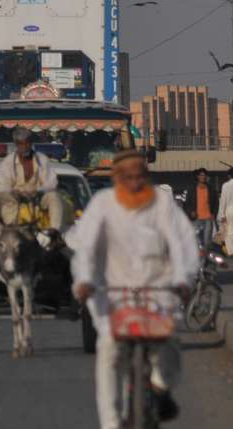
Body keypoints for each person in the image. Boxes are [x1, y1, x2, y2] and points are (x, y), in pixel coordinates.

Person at [70, 149, 198, 428]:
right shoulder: (103, 205)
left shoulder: (162, 204)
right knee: (108, 352)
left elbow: (182, 243)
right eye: (127, 177)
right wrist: (84, 280)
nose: (134, 182)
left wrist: (184, 279)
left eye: (140, 176)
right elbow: (87, 247)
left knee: (170, 347)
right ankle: (112, 423)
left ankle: (160, 388)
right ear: (117, 178)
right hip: (115, 295)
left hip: (160, 293)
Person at [0, 127, 65, 230]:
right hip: (15, 197)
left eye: (27, 143)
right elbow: (2, 186)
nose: (24, 147)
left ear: (31, 143)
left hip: (38, 197)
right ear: (16, 145)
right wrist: (15, 192)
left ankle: (55, 231)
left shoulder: (42, 159)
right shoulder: (8, 162)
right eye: (21, 144)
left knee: (54, 196)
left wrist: (38, 191)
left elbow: (52, 183)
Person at [182, 169, 218, 251]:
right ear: (198, 177)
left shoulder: (211, 189)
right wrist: (191, 212)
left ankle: (205, 259)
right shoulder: (192, 189)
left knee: (206, 240)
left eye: (205, 175)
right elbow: (187, 203)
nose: (203, 177)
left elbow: (216, 202)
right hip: (196, 218)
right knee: (196, 240)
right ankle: (198, 258)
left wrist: (213, 214)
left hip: (208, 218)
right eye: (201, 175)